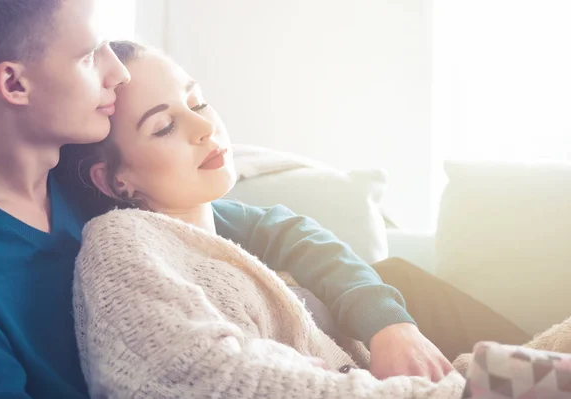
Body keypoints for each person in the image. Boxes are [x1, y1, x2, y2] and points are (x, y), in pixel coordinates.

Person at [0, 1, 528, 397]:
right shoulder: (106, 231)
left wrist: (387, 323)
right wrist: (280, 370)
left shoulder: (97, 199)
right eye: (91, 55)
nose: (114, 72)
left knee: (398, 278)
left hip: (333, 356)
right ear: (14, 85)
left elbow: (276, 229)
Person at [65, 40, 465, 398]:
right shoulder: (122, 240)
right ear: (115, 181)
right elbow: (181, 374)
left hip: (400, 364)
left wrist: (389, 324)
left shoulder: (231, 227)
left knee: (403, 278)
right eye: (165, 126)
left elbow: (295, 234)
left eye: (198, 102)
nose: (206, 127)